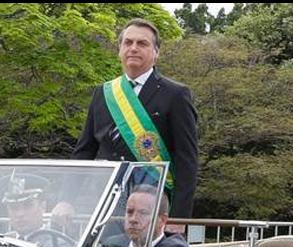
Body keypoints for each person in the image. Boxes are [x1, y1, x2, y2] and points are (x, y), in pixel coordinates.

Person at [73, 18, 199, 224]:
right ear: (119, 50)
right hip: (105, 203)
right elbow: (84, 151)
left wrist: (178, 219)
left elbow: (187, 161)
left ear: (156, 53)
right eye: (128, 42)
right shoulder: (103, 92)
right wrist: (66, 200)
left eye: (142, 43)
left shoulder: (176, 94)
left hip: (152, 204)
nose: (133, 48)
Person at [103, 185, 191, 247]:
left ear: (162, 220)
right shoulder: (111, 245)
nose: (133, 219)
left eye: (143, 213)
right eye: (130, 212)